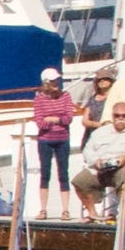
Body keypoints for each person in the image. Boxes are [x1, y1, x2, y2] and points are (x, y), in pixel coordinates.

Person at [74, 101, 125, 221]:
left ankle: (124, 213)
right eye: (117, 116)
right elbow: (88, 150)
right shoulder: (100, 132)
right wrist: (96, 160)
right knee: (79, 181)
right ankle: (92, 213)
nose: (121, 119)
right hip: (101, 168)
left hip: (122, 168)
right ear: (112, 116)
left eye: (124, 116)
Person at [31, 67, 76, 219]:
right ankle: (43, 210)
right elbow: (40, 123)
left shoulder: (66, 96)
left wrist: (50, 118)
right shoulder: (39, 99)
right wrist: (58, 120)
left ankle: (65, 210)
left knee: (63, 174)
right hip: (45, 141)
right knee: (45, 174)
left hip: (62, 139)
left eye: (57, 80)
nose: (56, 83)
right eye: (52, 81)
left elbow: (68, 118)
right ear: (45, 83)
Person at [77, 68, 118, 146]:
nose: (102, 81)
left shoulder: (115, 98)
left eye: (105, 78)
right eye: (99, 79)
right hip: (91, 136)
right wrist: (99, 125)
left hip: (108, 136)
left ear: (111, 81)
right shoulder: (92, 98)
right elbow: (84, 121)